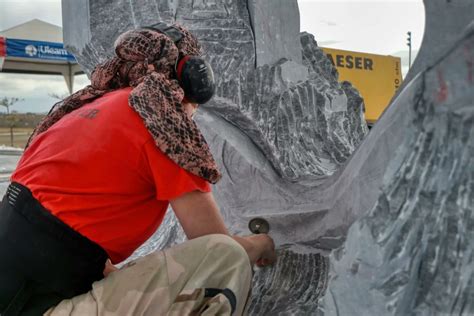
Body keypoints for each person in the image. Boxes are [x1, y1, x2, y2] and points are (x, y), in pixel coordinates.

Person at [0, 23, 276, 316]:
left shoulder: (79, 112)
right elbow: (214, 242)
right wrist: (261, 244)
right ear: (193, 76)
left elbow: (59, 229)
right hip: (37, 307)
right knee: (227, 258)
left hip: (24, 293)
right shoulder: (160, 123)